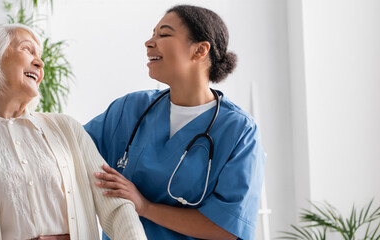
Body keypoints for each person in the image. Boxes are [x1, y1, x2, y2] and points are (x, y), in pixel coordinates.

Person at [0, 24, 146, 240]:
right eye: (27, 50)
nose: (40, 63)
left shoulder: (67, 128)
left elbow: (116, 207)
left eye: (39, 56)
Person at [85, 5, 265, 240]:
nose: (149, 42)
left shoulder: (239, 131)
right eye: (152, 34)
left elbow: (228, 228)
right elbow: (69, 155)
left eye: (164, 34)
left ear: (200, 50)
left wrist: (144, 207)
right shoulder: (130, 109)